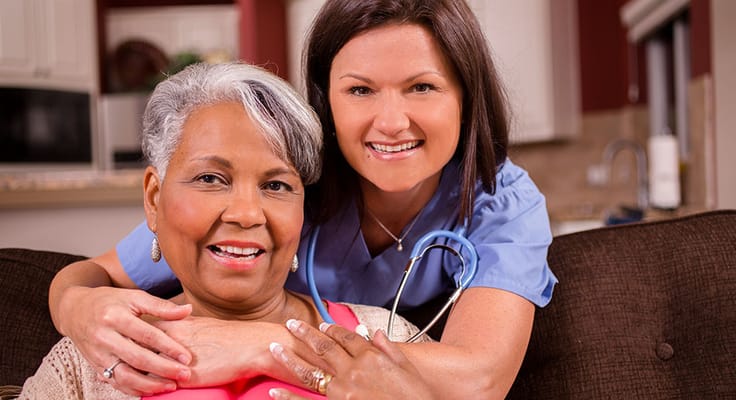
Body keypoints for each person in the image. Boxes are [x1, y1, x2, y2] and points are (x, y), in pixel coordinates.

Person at [48, 0, 558, 398]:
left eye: (421, 87)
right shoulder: (284, 183)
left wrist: (257, 344)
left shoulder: (501, 203)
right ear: (326, 99)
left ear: (467, 99)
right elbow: (92, 275)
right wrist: (76, 308)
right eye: (360, 91)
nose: (391, 121)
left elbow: (478, 381)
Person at [20, 61, 432, 400]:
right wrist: (71, 300)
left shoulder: (386, 336)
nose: (248, 214)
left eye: (276, 185)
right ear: (153, 199)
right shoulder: (94, 354)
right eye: (211, 179)